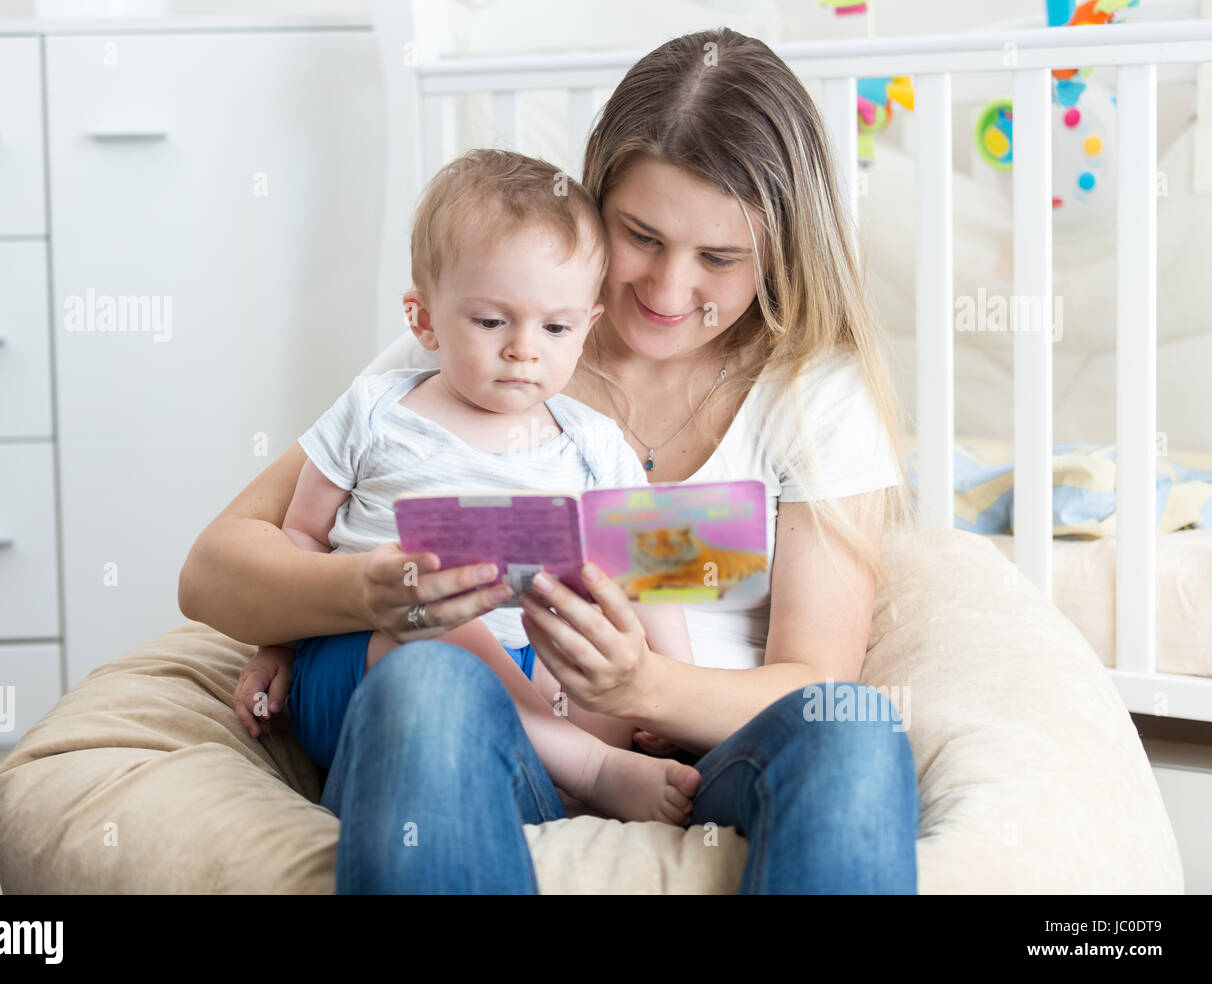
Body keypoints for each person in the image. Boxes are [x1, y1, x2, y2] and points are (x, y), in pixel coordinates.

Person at [179, 26, 921, 894]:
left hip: (693, 756)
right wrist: (352, 597)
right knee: (427, 679)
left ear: (779, 252)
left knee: (856, 726)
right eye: (641, 237)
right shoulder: (471, 347)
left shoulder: (813, 395)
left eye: (719, 259)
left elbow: (812, 683)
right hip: (481, 728)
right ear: (593, 209)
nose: (666, 290)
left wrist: (645, 684)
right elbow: (213, 573)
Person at [233, 148, 700, 825]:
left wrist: (667, 693)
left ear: (586, 326)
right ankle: (592, 772)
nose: (523, 348)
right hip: (373, 657)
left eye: (555, 327)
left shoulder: (596, 445)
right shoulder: (374, 413)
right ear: (422, 319)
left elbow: (655, 573)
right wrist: (274, 644)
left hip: (532, 664)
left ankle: (551, 788)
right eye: (491, 321)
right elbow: (300, 535)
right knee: (438, 628)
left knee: (592, 649)